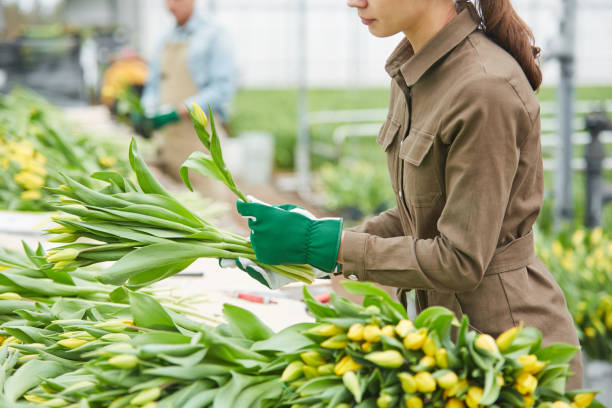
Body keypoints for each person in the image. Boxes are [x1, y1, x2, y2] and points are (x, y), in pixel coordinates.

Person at [226, 0, 583, 390]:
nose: (354, 2)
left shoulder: (484, 88)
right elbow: (419, 216)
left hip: (511, 359)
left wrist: (329, 247)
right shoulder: (415, 71)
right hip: (445, 344)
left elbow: (461, 259)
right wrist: (311, 246)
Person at [141, 0, 235, 188]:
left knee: (207, 200)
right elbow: (153, 85)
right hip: (168, 140)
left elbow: (222, 88)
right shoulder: (165, 38)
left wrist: (181, 110)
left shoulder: (214, 34)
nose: (170, 6)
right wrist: (148, 111)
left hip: (199, 140)